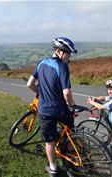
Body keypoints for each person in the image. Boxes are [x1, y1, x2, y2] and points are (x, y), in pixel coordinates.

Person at [27, 37, 77, 175]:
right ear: (58, 51)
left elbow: (29, 84)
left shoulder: (41, 63)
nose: (69, 56)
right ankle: (71, 153)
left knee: (50, 142)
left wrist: (40, 94)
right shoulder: (62, 66)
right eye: (67, 53)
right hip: (60, 109)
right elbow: (66, 93)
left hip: (45, 110)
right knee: (70, 131)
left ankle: (53, 168)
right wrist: (72, 104)